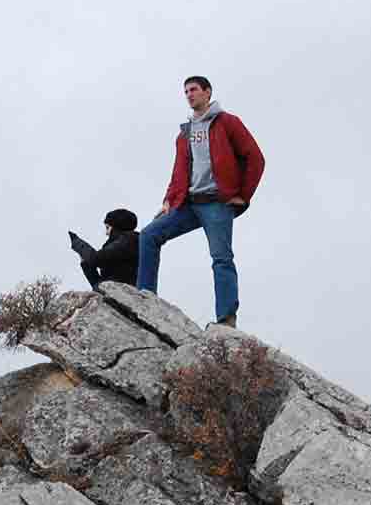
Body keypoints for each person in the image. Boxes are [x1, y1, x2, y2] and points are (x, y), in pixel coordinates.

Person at [136, 76, 265, 326]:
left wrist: (243, 195)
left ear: (207, 92)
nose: (189, 94)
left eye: (193, 89)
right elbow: (179, 172)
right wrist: (168, 201)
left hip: (218, 203)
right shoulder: (184, 133)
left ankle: (226, 319)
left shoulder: (228, 123)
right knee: (149, 235)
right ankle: (144, 301)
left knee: (221, 258)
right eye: (185, 91)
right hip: (188, 203)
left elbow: (255, 159)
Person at [69, 209, 139, 289]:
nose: (106, 233)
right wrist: (86, 264)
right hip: (116, 296)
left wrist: (77, 243)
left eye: (107, 227)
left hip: (127, 296)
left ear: (117, 226)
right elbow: (101, 285)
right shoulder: (123, 243)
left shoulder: (130, 240)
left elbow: (96, 259)